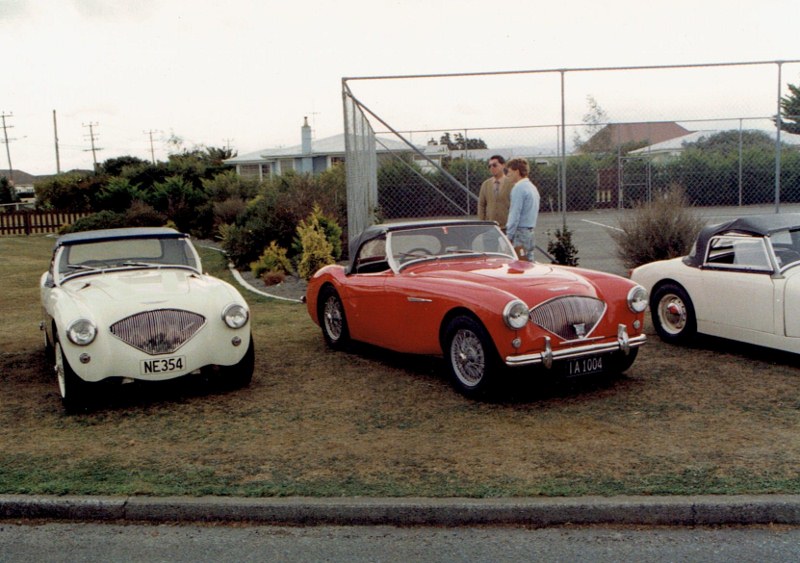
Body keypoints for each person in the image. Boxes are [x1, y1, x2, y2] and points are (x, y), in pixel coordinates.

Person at [505, 158, 540, 261]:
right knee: (529, 262)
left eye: (509, 172)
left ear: (516, 171)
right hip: (529, 232)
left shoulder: (518, 188)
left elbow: (514, 214)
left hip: (519, 233)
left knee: (518, 265)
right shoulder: (532, 187)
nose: (507, 175)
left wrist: (509, 236)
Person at [477, 155, 513, 225]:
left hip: (507, 226)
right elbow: (481, 204)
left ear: (503, 165)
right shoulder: (486, 184)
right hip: (490, 226)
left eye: (494, 165)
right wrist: (482, 222)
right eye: (489, 166)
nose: (492, 168)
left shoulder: (511, 183)